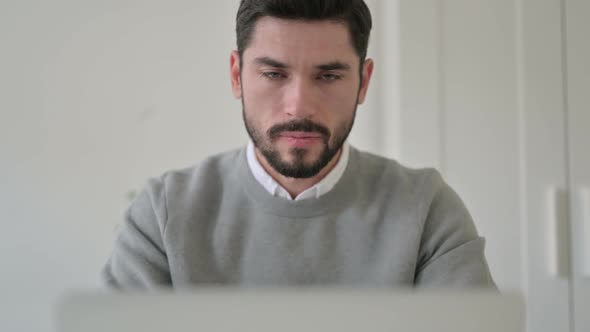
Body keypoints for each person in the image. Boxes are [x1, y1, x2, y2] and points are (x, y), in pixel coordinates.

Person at [102, 0, 496, 289]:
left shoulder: (426, 210)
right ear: (237, 76)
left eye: (328, 76)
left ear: (364, 81)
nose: (299, 106)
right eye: (274, 73)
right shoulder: (162, 215)